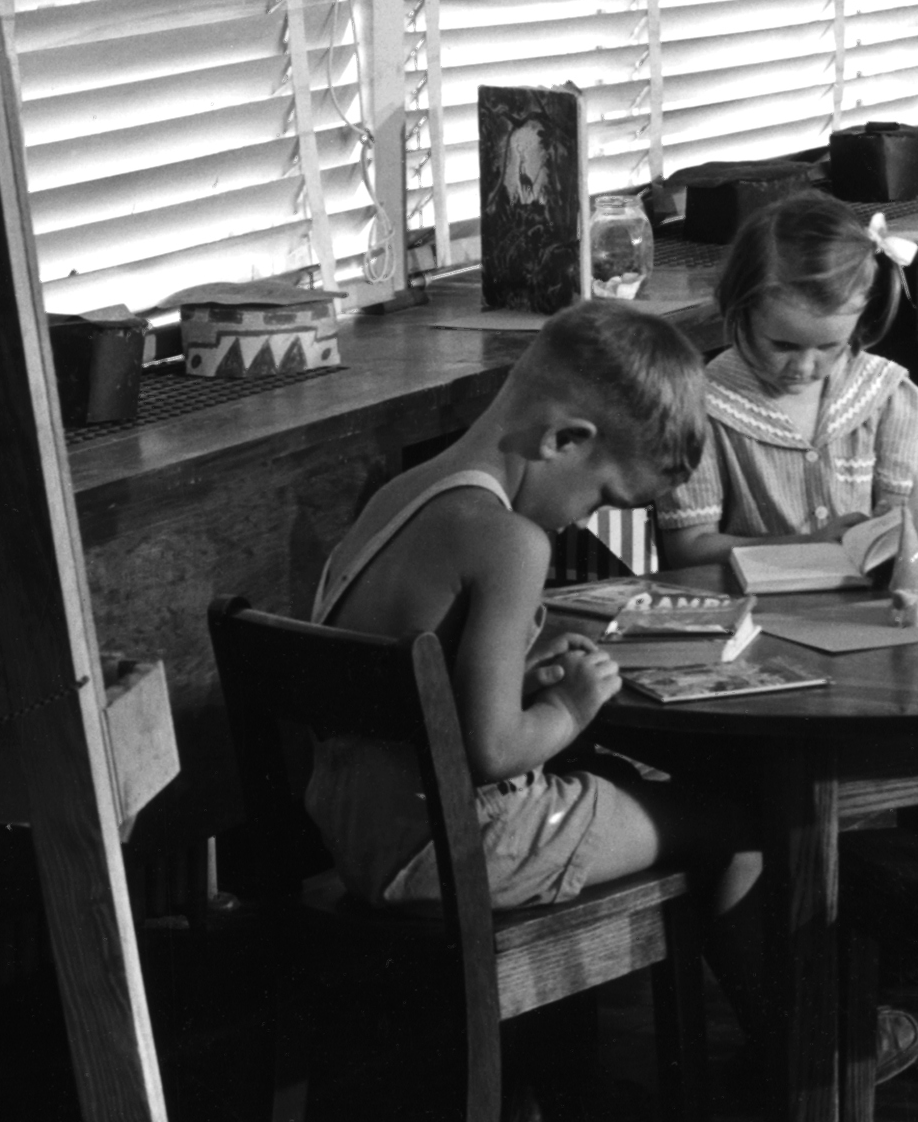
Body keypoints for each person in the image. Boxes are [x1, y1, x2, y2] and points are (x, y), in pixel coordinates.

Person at [302, 297, 748, 917]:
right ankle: (766, 1016)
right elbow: (494, 751)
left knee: (625, 789)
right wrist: (568, 704)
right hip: (460, 846)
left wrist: (521, 668)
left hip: (358, 831)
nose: (582, 523)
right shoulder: (511, 543)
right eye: (599, 500)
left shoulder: (399, 495)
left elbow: (423, 686)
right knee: (738, 821)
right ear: (564, 439)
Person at [655, 194, 918, 623]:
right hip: (752, 620)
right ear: (739, 311)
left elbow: (902, 528)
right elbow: (687, 549)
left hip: (866, 618)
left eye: (829, 346)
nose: (803, 366)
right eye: (782, 345)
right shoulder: (700, 409)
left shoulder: (890, 398)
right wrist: (806, 545)